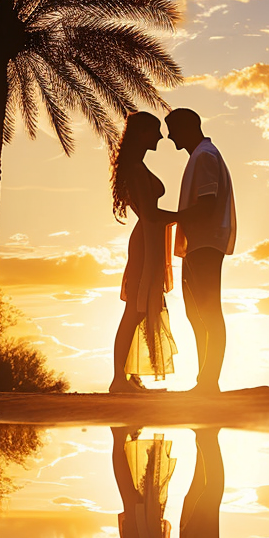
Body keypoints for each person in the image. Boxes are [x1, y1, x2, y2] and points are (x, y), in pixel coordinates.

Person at [165, 108, 236, 394]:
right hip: (198, 243)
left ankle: (209, 380)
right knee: (196, 313)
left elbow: (207, 203)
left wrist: (169, 216)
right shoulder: (201, 155)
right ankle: (205, 378)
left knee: (208, 310)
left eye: (173, 130)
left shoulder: (205, 156)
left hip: (206, 243)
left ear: (186, 128)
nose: (169, 137)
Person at [109, 111, 178, 394]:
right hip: (146, 242)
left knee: (142, 309)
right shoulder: (136, 170)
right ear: (141, 135)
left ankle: (128, 377)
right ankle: (118, 379)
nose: (161, 137)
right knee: (134, 311)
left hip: (151, 239)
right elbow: (149, 213)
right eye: (155, 132)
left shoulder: (137, 166)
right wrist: (186, 216)